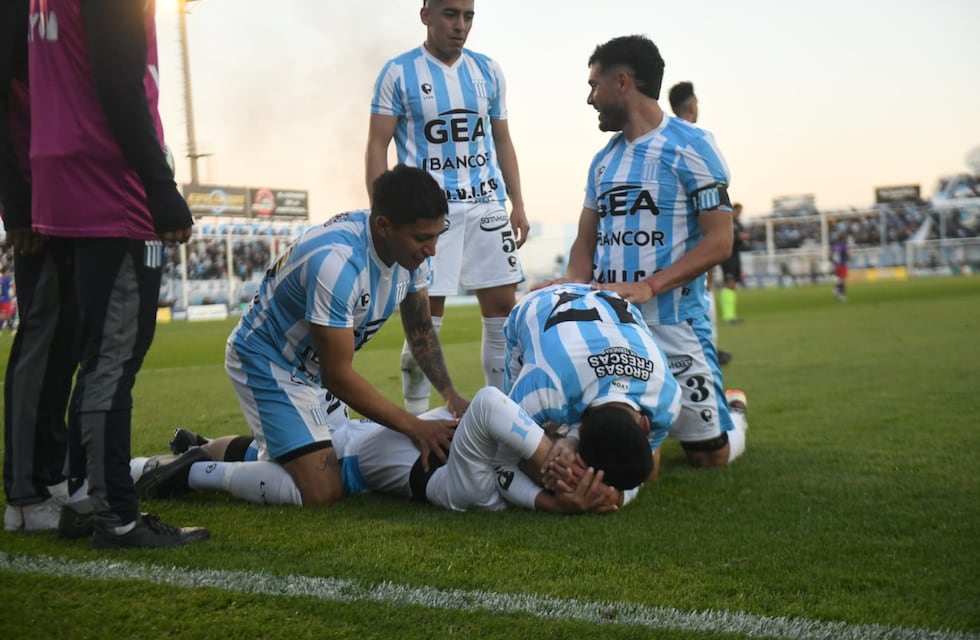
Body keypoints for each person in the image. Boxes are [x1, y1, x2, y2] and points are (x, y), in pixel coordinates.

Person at [15, 0, 207, 549]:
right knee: (114, 354)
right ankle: (116, 515)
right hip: (110, 183)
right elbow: (120, 83)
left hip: (59, 177)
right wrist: (161, 186)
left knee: (90, 349)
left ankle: (79, 498)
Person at [213, 165, 467, 508]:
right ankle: (190, 471)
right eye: (423, 238)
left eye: (438, 235)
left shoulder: (412, 256)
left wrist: (451, 396)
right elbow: (337, 374)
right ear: (383, 226)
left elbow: (421, 333)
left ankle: (204, 447)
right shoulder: (336, 263)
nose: (432, 249)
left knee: (323, 456)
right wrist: (414, 426)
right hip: (269, 359)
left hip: (312, 367)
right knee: (322, 488)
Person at [561, 35, 747, 468]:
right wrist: (568, 286)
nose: (590, 98)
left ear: (622, 82)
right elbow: (585, 242)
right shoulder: (602, 162)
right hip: (619, 329)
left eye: (594, 85)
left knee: (709, 457)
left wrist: (650, 285)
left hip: (676, 323)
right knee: (636, 459)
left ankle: (733, 412)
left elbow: (720, 241)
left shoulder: (693, 147)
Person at [365, 0, 529, 415]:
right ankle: (418, 421)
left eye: (468, 16)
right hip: (428, 216)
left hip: (487, 205)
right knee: (424, 324)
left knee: (501, 315)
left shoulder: (487, 70)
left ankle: (501, 418)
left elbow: (502, 140)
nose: (460, 25)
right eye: (450, 14)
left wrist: (518, 202)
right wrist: (381, 212)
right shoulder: (398, 72)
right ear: (426, 16)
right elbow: (376, 146)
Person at [132, 386, 648, 515]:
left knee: (317, 477)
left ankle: (189, 471)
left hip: (424, 475)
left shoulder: (517, 482)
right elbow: (634, 472)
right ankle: (200, 448)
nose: (566, 444)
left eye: (573, 449)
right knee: (295, 448)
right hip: (400, 446)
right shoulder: (602, 471)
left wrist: (552, 489)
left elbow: (490, 407)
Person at [0, 4, 81, 533]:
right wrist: (16, 202)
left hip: (81, 191)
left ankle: (49, 474)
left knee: (70, 336)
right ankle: (24, 492)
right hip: (37, 196)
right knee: (42, 332)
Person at [504, 283, 681, 497]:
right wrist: (556, 476)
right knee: (521, 439)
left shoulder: (668, 397)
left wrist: (611, 495)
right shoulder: (544, 387)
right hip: (539, 303)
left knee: (649, 471)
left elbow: (647, 474)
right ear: (644, 424)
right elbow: (504, 457)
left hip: (606, 304)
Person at [667, 80, 731, 366]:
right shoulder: (698, 142)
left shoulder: (660, 140)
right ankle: (710, 358)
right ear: (693, 106)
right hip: (690, 271)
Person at [719, 202, 748, 324]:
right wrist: (739, 237)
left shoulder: (738, 224)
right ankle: (727, 316)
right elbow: (723, 238)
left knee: (733, 284)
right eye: (738, 212)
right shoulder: (725, 222)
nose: (739, 214)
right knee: (729, 283)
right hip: (727, 256)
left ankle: (731, 315)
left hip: (735, 255)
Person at [830, 232, 849, 301]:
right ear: (843, 239)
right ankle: (840, 294)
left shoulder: (834, 246)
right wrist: (848, 259)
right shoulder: (844, 246)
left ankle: (837, 291)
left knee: (839, 280)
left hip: (836, 265)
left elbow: (830, 255)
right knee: (843, 280)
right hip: (842, 264)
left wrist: (833, 262)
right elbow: (848, 254)